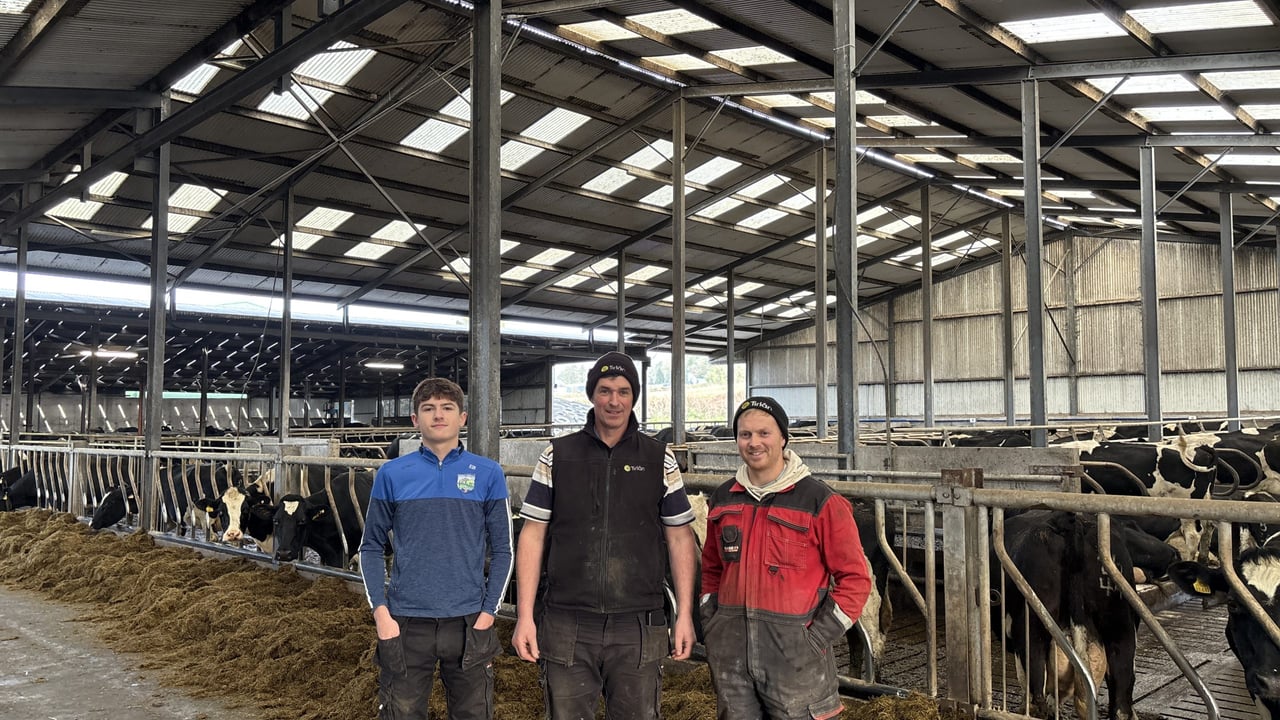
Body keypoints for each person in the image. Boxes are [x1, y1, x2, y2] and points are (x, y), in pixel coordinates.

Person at [511, 351, 698, 720]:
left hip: (637, 623)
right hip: (567, 621)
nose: (614, 401)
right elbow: (532, 535)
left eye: (624, 391)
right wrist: (524, 615)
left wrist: (685, 615)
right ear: (592, 395)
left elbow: (680, 538)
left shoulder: (660, 459)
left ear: (634, 397)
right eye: (605, 391)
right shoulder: (557, 456)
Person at [700, 396, 872, 720]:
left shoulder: (820, 501)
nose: (754, 443)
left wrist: (815, 638)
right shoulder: (723, 498)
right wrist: (713, 621)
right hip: (731, 658)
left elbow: (856, 579)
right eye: (745, 434)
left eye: (764, 433)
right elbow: (711, 568)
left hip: (797, 663)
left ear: (783, 438)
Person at [358, 377, 513, 720]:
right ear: (415, 419)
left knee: (473, 714)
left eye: (447, 408)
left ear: (463, 417)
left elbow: (504, 549)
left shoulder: (488, 473)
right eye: (428, 408)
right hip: (406, 622)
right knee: (401, 713)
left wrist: (489, 613)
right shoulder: (392, 474)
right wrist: (381, 612)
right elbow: (370, 547)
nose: (438, 415)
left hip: (469, 622)